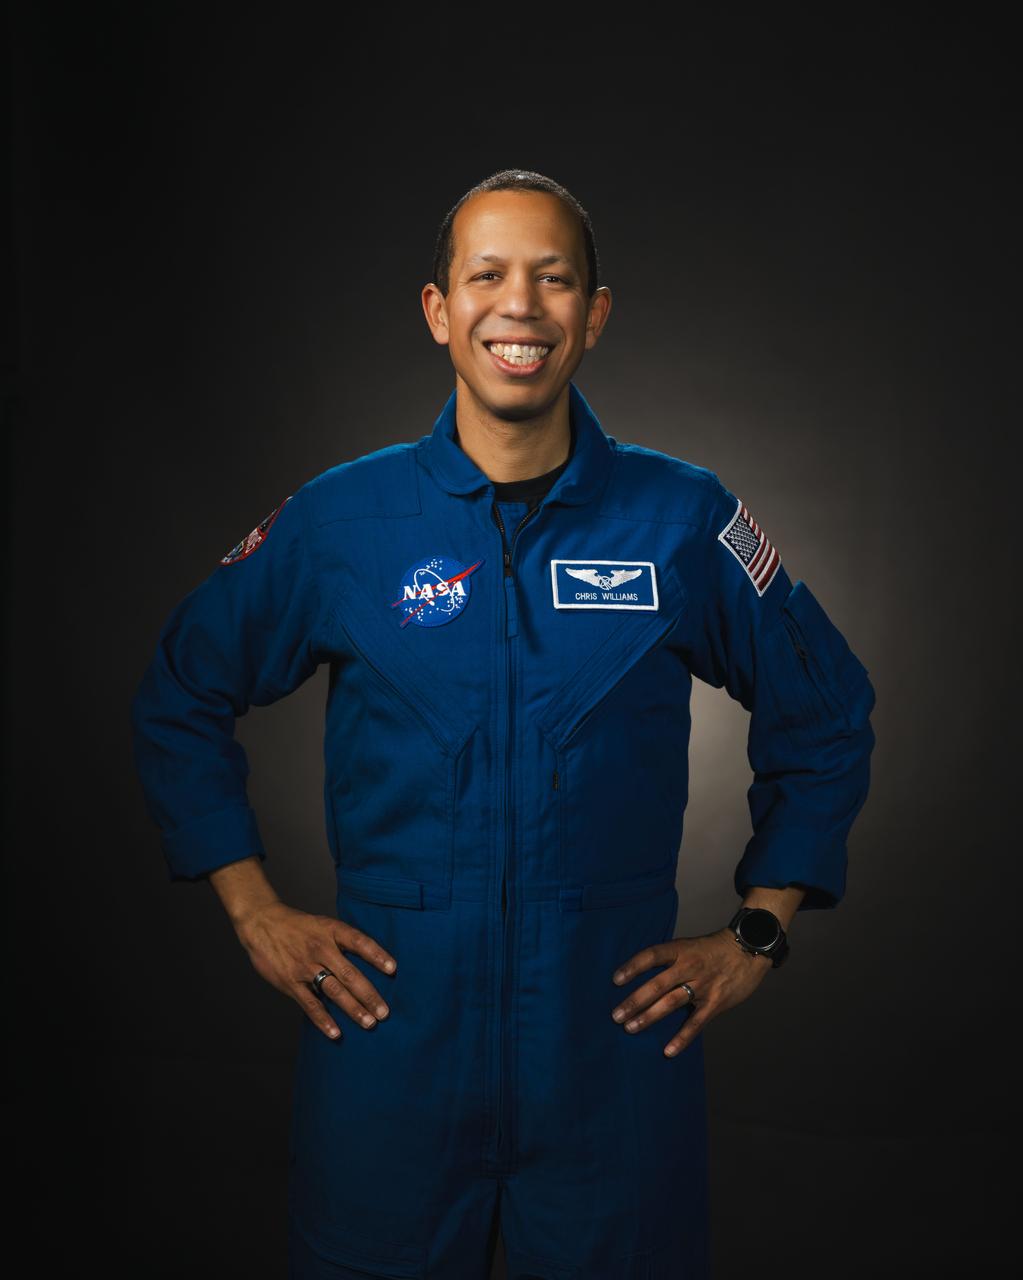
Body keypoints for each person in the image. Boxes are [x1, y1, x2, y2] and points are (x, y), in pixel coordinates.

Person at [131, 169, 876, 1279]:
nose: (518, 304)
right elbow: (181, 691)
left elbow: (828, 713)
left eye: (552, 278)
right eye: (487, 276)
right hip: (388, 1052)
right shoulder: (343, 521)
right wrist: (252, 910)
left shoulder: (682, 518)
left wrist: (756, 934)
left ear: (595, 313)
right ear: (440, 311)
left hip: (610, 1064)